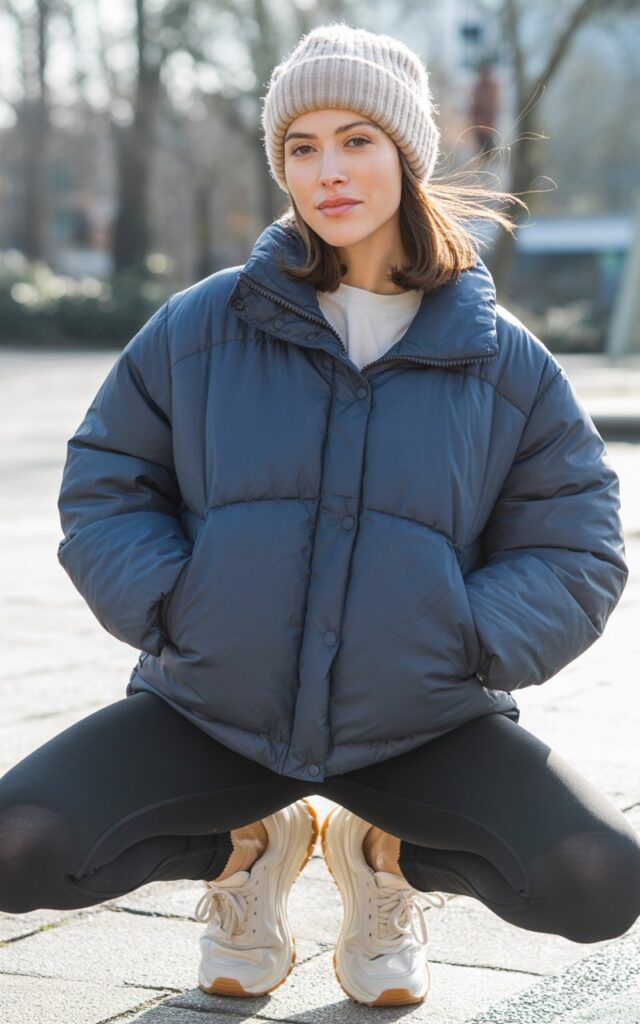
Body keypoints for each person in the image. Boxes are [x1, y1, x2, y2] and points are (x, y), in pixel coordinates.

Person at [1, 20, 639, 1011]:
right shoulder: (203, 324)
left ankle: (383, 856)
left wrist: (469, 639)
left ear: (405, 155)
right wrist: (176, 605)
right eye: (301, 147)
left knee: (599, 878)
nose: (326, 170)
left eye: (355, 140)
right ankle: (249, 848)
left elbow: (577, 536)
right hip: (213, 708)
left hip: (419, 720)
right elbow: (107, 480)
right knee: (14, 844)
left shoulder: (501, 357)